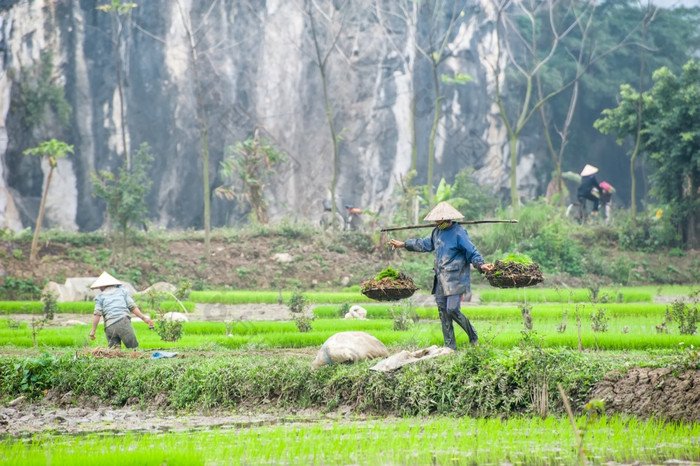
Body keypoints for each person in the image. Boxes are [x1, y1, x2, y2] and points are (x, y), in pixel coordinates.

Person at [387, 201, 493, 350]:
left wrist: (481, 264)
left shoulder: (459, 232)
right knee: (443, 311)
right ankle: (450, 347)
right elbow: (424, 244)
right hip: (441, 279)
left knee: (452, 309)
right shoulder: (436, 232)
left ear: (447, 219)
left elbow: (472, 251)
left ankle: (473, 335)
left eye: (438, 220)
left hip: (456, 278)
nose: (436, 222)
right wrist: (404, 244)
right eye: (435, 220)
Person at [88, 272, 154, 349]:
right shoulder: (122, 292)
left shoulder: (99, 297)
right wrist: (144, 318)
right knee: (134, 349)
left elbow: (97, 314)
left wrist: (93, 331)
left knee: (114, 352)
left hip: (109, 326)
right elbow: (132, 307)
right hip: (123, 323)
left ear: (102, 287)